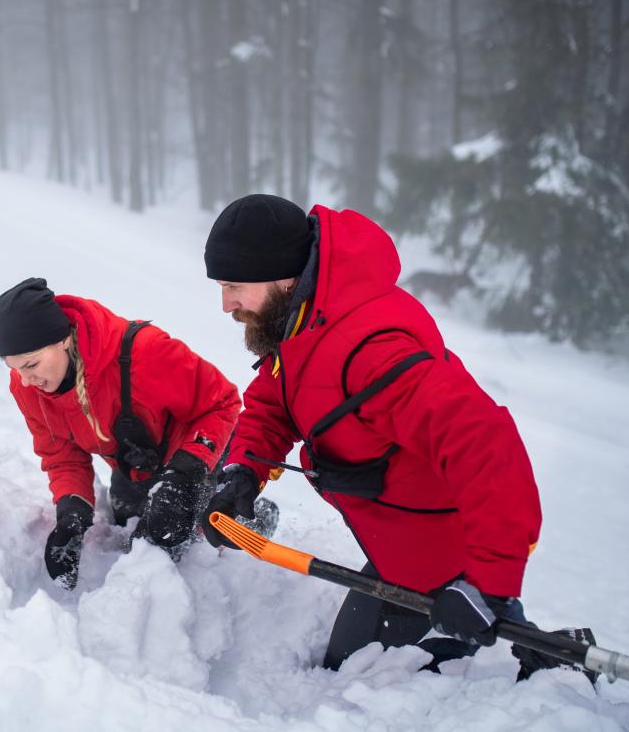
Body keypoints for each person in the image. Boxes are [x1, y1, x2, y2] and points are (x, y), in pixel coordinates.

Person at [198, 194, 552, 672]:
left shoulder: (369, 350)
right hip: (398, 560)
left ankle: (534, 662)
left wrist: (488, 584)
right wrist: (244, 469)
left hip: (453, 575)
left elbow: (485, 444)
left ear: (283, 276)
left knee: (397, 696)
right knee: (342, 670)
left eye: (234, 285)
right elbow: (272, 400)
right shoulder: (305, 322)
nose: (226, 304)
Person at [0, 277, 243, 590]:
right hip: (137, 464)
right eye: (15, 368)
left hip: (198, 452)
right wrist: (71, 516)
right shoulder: (28, 389)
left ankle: (244, 514)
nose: (27, 380)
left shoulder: (144, 352)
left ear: (63, 340)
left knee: (166, 544)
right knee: (126, 521)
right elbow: (63, 457)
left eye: (32, 364)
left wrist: (184, 477)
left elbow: (222, 402)